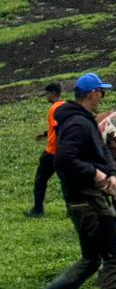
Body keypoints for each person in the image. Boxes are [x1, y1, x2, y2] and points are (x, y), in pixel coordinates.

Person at [20, 72, 116, 289]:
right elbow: (63, 160)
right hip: (88, 203)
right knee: (114, 258)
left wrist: (111, 173)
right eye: (101, 92)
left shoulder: (83, 120)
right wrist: (97, 174)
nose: (102, 96)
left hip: (85, 202)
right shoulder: (77, 124)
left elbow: (102, 155)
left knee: (91, 261)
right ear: (92, 93)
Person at [24, 81, 65, 218]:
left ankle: (37, 210)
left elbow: (58, 129)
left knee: (40, 180)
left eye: (47, 93)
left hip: (52, 152)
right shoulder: (65, 106)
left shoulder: (54, 108)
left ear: (53, 93)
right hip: (64, 153)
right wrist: (45, 134)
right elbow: (61, 127)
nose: (46, 96)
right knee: (67, 182)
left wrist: (58, 149)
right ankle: (73, 209)